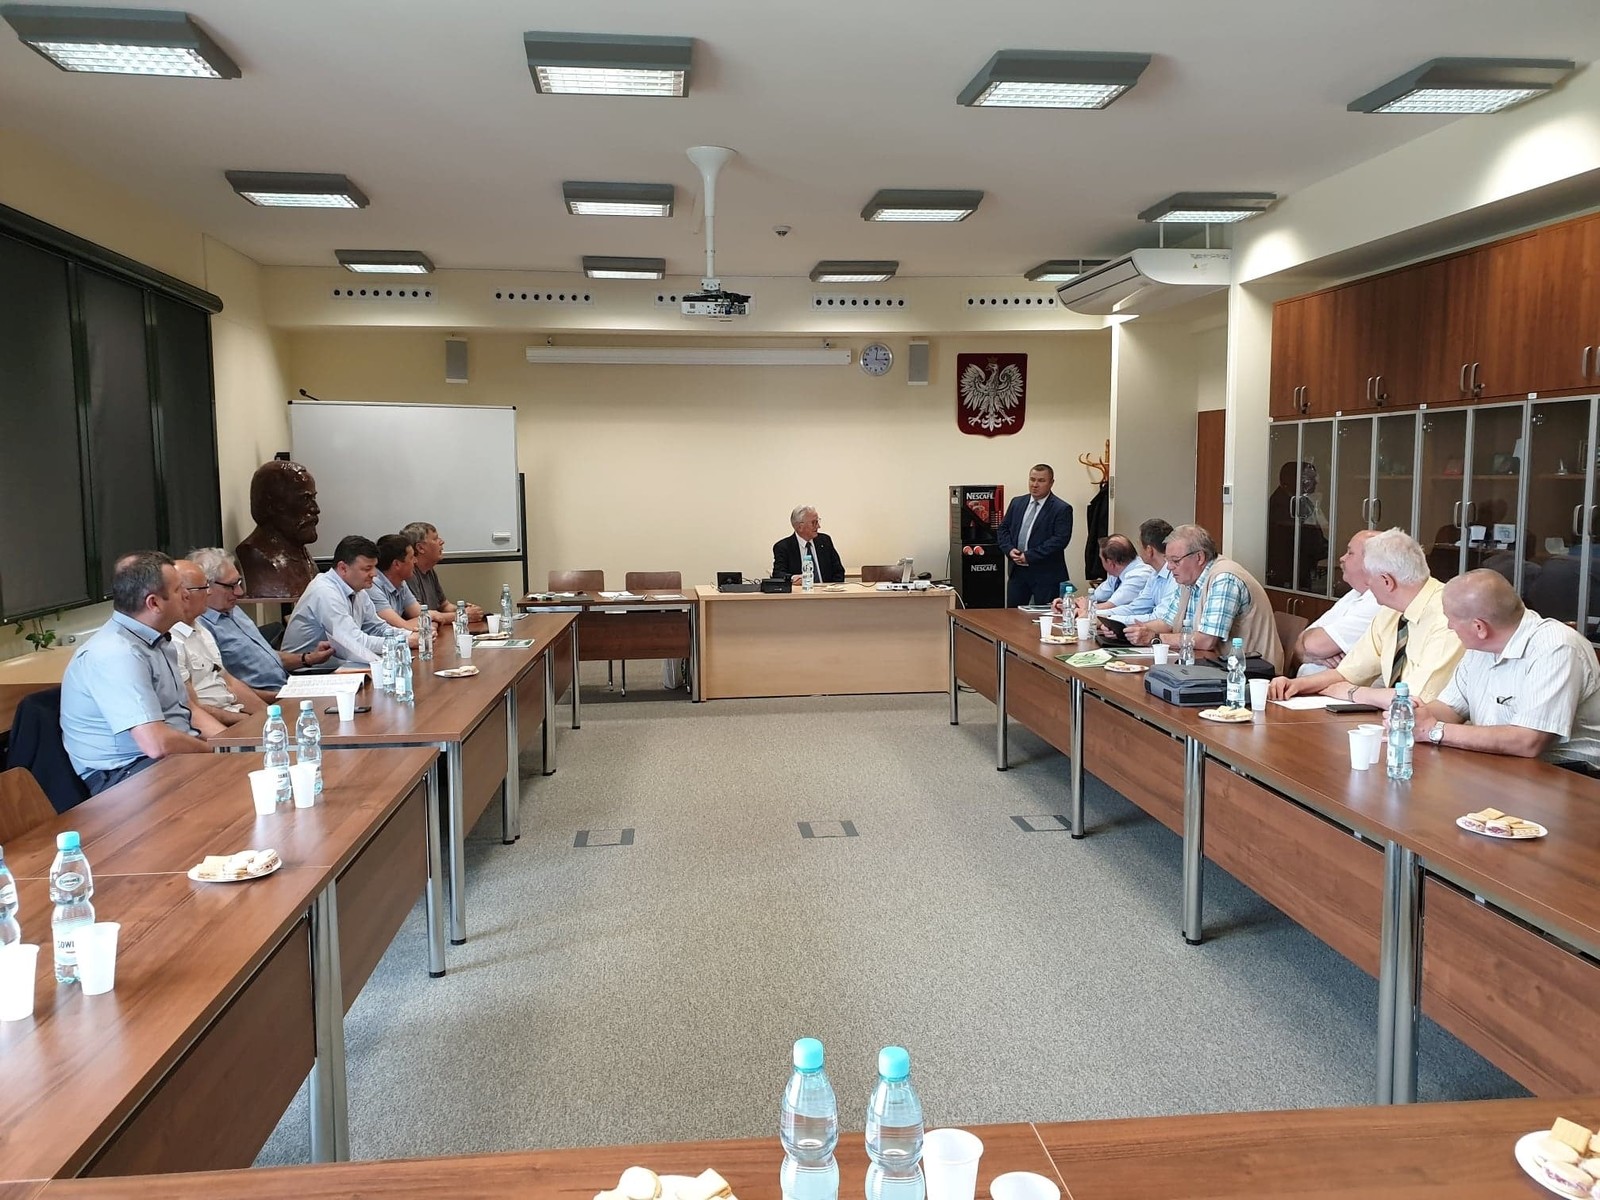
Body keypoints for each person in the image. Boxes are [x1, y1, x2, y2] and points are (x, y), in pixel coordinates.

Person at [1415, 570, 1600, 774]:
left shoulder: (1556, 647)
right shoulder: (1479, 648)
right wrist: (1411, 716)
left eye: (1451, 619)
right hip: (1501, 767)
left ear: (1479, 627)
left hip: (1569, 776)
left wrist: (1434, 731)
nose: (1450, 626)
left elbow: (1528, 742)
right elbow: (1450, 709)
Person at [59, 552, 212, 794]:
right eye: (178, 589)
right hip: (125, 776)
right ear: (154, 603)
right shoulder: (117, 654)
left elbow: (183, 716)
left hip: (168, 758)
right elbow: (156, 744)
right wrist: (214, 752)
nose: (186, 595)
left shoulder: (157, 640)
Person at [1268, 529, 1461, 708]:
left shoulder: (1448, 618)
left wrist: (1352, 692)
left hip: (1431, 726)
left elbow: (1415, 699)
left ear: (1386, 581)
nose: (1366, 583)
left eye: (1369, 577)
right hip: (1395, 721)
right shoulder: (1391, 611)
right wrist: (1297, 685)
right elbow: (1350, 672)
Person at [1125, 524, 1282, 669]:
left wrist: (1155, 638)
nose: (1170, 567)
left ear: (1199, 557)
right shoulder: (1188, 578)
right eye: (1168, 560)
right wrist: (1133, 631)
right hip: (1212, 665)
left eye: (1175, 561)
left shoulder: (1224, 578)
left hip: (1250, 672)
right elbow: (1167, 622)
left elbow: (1207, 640)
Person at [192, 546, 334, 698]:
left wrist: (309, 658)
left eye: (239, 582)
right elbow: (228, 689)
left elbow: (265, 657)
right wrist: (285, 697)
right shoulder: (202, 628)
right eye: (231, 586)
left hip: (287, 685)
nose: (239, 592)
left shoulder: (233, 610)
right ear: (206, 586)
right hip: (267, 699)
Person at [282, 535, 417, 666]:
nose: (374, 574)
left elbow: (377, 627)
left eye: (374, 567)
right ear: (343, 568)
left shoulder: (358, 590)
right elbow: (354, 642)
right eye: (367, 568)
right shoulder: (325, 592)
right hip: (305, 671)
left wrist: (411, 635)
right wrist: (404, 641)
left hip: (336, 664)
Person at [169, 558, 266, 727]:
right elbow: (193, 711)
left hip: (234, 713)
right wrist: (248, 720)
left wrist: (268, 716)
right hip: (215, 726)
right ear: (184, 595)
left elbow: (229, 682)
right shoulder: (171, 642)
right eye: (204, 587)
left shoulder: (200, 628)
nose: (209, 593)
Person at [1290, 530, 1382, 675]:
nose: (1342, 558)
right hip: (1309, 684)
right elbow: (1299, 646)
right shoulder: (1354, 593)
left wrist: (1309, 650)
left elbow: (1313, 644)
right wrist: (1307, 651)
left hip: (1334, 687)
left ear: (1370, 563)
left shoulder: (1378, 602)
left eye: (1350, 553)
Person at [235, 460, 321, 598]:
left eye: (313, 498)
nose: (315, 509)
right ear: (273, 505)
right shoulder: (255, 557)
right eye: (305, 499)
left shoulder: (300, 552)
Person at [997, 464, 1073, 606]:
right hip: (1017, 571)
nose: (1035, 485)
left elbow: (1060, 540)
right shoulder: (1017, 502)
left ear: (1051, 483)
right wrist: (1009, 549)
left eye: (1041, 481)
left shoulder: (1061, 508)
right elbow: (1003, 529)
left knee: (1045, 615)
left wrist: (1029, 556)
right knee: (1013, 614)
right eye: (1032, 479)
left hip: (1046, 575)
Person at [1096, 518, 1178, 628]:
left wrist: (1109, 619)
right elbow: (1135, 608)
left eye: (1139, 545)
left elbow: (1158, 618)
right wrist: (1096, 615)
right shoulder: (1154, 575)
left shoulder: (1175, 576)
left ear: (1149, 550)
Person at [1266, 460, 1328, 589]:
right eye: (1309, 479)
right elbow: (1298, 537)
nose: (1316, 482)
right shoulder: (1280, 504)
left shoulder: (1302, 500)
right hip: (1287, 573)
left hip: (1301, 568)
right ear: (1292, 479)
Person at [401, 521, 477, 624]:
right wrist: (462, 616)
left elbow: (444, 605)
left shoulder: (430, 571)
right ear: (420, 548)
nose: (442, 542)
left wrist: (464, 610)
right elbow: (420, 615)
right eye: (435, 539)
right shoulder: (409, 574)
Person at [772, 505, 845, 583]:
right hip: (800, 590)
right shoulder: (783, 547)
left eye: (818, 521)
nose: (818, 526)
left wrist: (832, 587)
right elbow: (778, 574)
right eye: (814, 523)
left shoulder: (825, 541)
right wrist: (793, 578)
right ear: (800, 527)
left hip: (826, 589)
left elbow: (839, 572)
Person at [371, 533, 425, 631]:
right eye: (411, 557)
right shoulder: (372, 585)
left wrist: (429, 622)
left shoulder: (401, 583)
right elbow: (401, 626)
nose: (415, 561)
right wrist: (426, 623)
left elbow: (422, 615)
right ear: (396, 564)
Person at [1087, 535, 1153, 611]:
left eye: (1101, 559)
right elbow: (1097, 596)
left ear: (1111, 563)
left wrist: (1087, 607)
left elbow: (1111, 606)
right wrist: (1083, 602)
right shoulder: (1117, 572)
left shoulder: (1139, 575)